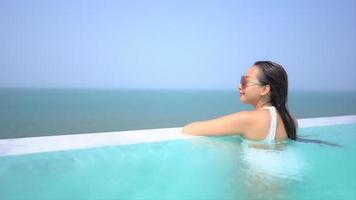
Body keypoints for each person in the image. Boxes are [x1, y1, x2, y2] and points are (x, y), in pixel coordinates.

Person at [182, 61, 297, 143]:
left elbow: (189, 129)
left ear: (264, 89)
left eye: (245, 81)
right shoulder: (290, 120)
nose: (239, 86)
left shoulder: (246, 119)